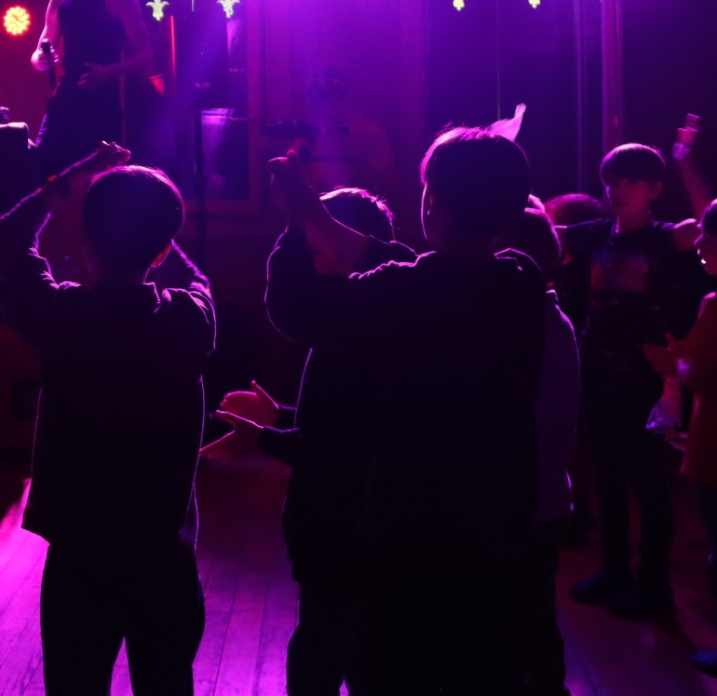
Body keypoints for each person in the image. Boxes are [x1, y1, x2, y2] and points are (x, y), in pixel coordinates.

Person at [262, 130, 548, 694]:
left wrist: (298, 223)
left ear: (430, 203)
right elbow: (415, 269)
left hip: (411, 529)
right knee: (484, 667)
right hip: (499, 519)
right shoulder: (520, 280)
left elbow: (297, 307)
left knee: (391, 671)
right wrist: (318, 218)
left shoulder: (406, 293)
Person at [0, 142, 214, 695]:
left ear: (85, 241)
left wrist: (77, 174)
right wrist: (155, 231)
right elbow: (195, 279)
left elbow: (10, 236)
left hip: (80, 551)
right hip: (163, 553)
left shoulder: (63, 317)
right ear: (161, 250)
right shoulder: (189, 319)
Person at [211, 188, 414, 696]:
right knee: (353, 643)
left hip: (342, 523)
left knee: (328, 648)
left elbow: (340, 449)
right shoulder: (363, 325)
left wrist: (265, 440)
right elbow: (341, 422)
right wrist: (281, 416)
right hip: (352, 525)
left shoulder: (353, 333)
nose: (311, 264)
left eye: (316, 250)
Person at [561, 134, 709, 618]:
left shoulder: (666, 238)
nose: (618, 189)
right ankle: (616, 571)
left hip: (648, 379)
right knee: (607, 477)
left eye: (630, 181)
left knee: (649, 483)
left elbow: (711, 221)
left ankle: (655, 586)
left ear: (653, 188)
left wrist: (685, 163)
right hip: (599, 375)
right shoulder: (592, 235)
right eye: (612, 181)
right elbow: (539, 230)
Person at [503, 207, 582, 696]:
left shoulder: (526, 325)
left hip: (519, 502)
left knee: (519, 619)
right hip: (547, 498)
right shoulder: (552, 318)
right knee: (534, 614)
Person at [643, 200, 717, 677]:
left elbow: (702, 372)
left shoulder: (714, 304)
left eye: (709, 235)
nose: (700, 244)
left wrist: (675, 363)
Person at [29, 0, 154, 176]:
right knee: (44, 168)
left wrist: (108, 72)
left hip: (102, 101)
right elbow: (38, 54)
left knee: (101, 176)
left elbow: (146, 55)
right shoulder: (59, 1)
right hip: (66, 98)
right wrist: (41, 59)